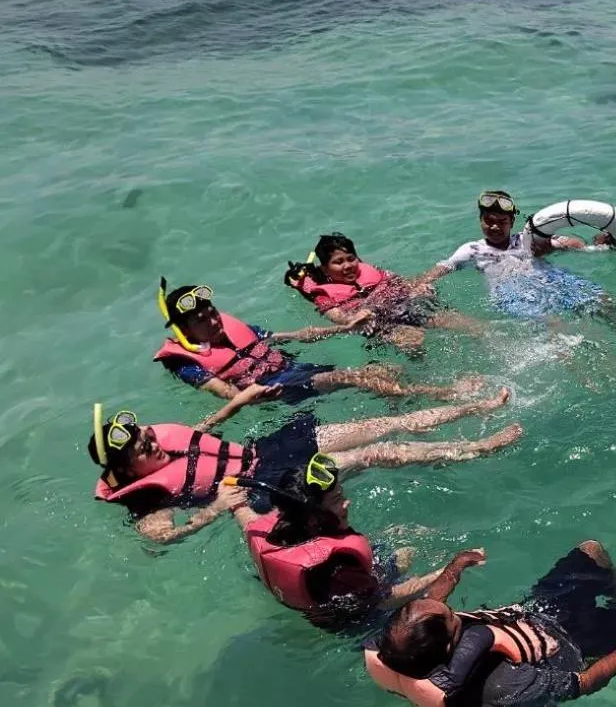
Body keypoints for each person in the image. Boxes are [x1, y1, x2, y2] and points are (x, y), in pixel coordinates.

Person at [87, 392, 519, 544]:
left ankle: (475, 406)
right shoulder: (147, 502)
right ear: (128, 474)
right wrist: (216, 509)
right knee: (374, 453)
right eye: (145, 450)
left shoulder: (162, 442)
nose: (154, 442)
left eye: (148, 436)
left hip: (268, 448)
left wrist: (236, 404)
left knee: (379, 425)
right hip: (266, 481)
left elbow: (197, 437)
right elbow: (162, 538)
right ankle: (479, 447)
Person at [364, 540, 616, 707]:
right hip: (571, 645)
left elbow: (430, 604)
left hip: (535, 614)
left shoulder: (399, 641)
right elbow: (588, 682)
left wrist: (456, 567)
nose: (443, 604)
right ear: (453, 644)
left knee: (591, 552)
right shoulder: (500, 685)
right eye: (453, 618)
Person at [153, 279, 479, 428]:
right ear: (182, 328)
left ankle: (407, 412)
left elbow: (294, 336)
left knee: (384, 370)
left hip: (298, 370)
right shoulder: (184, 362)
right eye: (200, 320)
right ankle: (448, 394)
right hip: (277, 394)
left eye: (212, 312)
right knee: (355, 378)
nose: (212, 321)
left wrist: (344, 327)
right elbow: (226, 393)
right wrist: (256, 395)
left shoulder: (233, 327)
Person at [229, 454, 483, 630]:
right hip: (355, 618)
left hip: (325, 594)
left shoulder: (276, 527)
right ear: (314, 517)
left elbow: (245, 517)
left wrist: (235, 501)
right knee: (413, 571)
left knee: (398, 542)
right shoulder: (336, 569)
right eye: (337, 499)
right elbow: (385, 598)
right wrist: (451, 568)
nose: (346, 503)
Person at [429, 189, 613, 320]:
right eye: (489, 221)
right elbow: (444, 267)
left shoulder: (527, 238)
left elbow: (574, 243)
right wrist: (419, 284)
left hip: (551, 280)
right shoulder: (473, 249)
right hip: (510, 292)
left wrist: (549, 245)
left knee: (605, 301)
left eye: (502, 222)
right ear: (480, 220)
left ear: (512, 221)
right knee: (554, 324)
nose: (495, 227)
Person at [283, 233, 483, 353]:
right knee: (414, 343)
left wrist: (418, 289)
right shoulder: (322, 293)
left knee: (471, 326)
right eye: (338, 262)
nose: (347, 266)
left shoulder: (371, 272)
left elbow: (401, 283)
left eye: (351, 259)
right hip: (380, 327)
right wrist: (354, 317)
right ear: (325, 268)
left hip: (406, 309)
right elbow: (339, 318)